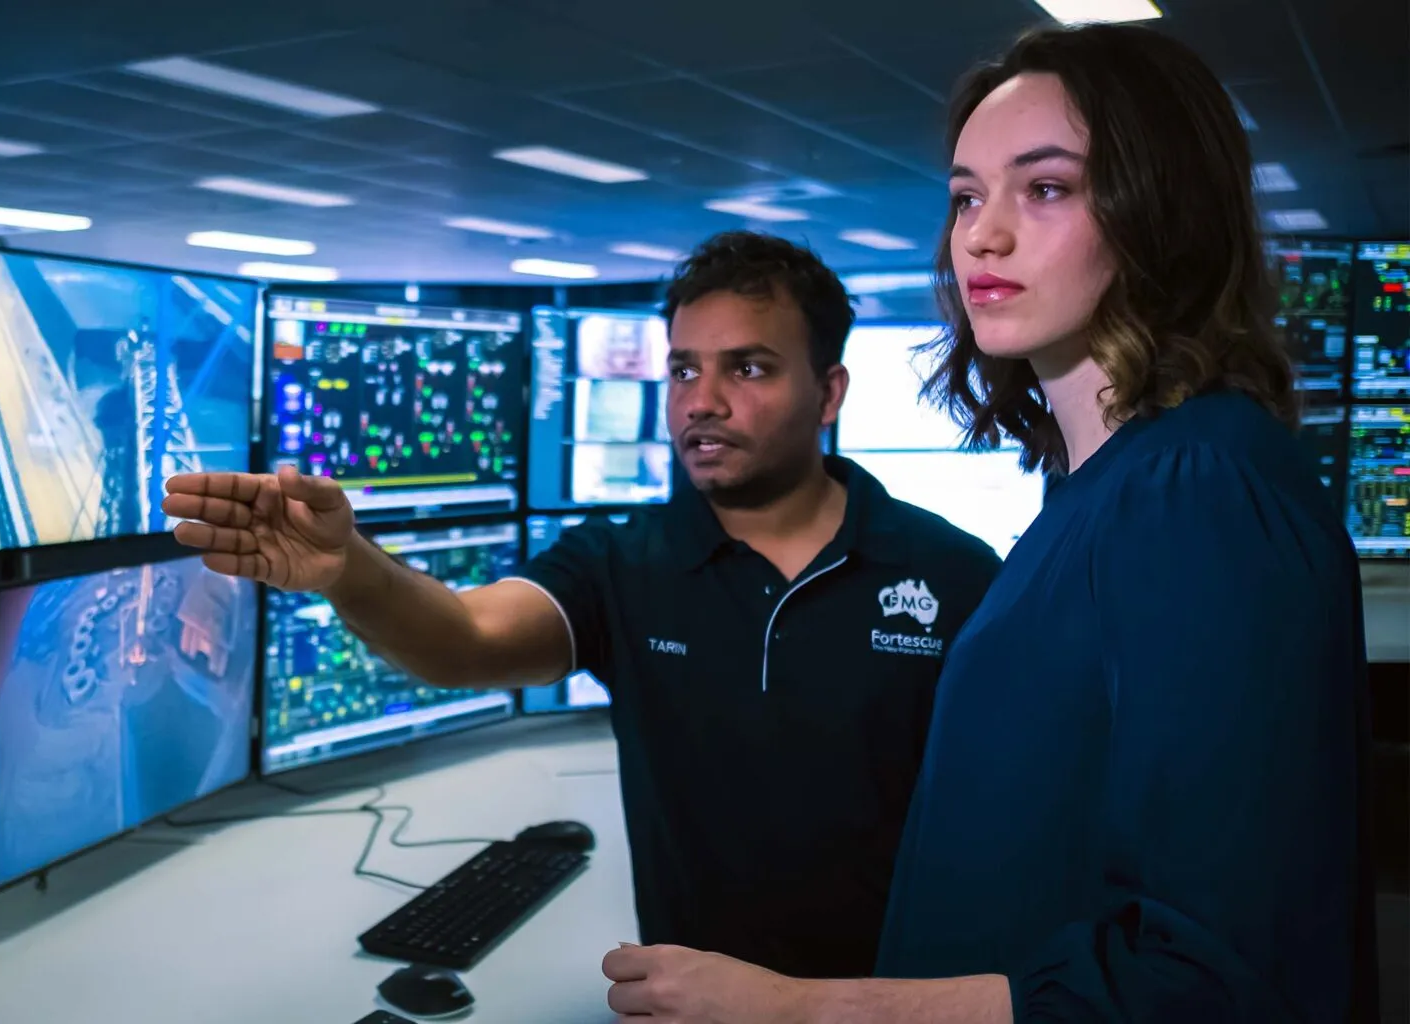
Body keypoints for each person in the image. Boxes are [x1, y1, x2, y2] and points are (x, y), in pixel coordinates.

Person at [600, 22, 1378, 1023]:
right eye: (965, 195)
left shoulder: (1197, 491)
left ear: (1160, 211)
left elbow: (1213, 977)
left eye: (1044, 187)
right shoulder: (1096, 488)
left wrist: (800, 1007)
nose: (978, 233)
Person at [165, 231, 1004, 979]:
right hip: (693, 1008)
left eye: (747, 368)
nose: (700, 401)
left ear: (829, 393)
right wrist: (350, 570)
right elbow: (463, 639)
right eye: (682, 368)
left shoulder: (950, 572)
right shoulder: (622, 561)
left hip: (889, 1004)